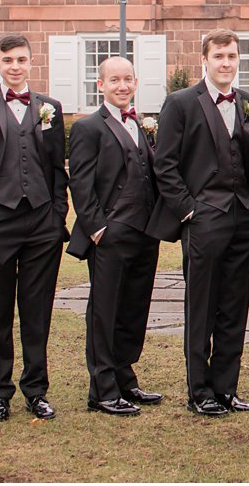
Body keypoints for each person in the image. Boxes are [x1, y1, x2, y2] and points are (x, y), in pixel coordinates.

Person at [0, 34, 68, 421]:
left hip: (41, 223)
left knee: (37, 311)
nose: (15, 66)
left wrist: (57, 215)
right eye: (8, 60)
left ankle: (36, 390)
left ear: (31, 62)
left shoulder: (49, 108)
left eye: (21, 59)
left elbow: (57, 168)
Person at [153, 29, 249, 417]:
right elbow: (163, 164)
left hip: (243, 217)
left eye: (232, 56)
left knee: (235, 304)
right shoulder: (181, 103)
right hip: (203, 219)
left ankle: (226, 388)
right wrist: (188, 210)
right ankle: (199, 391)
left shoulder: (248, 103)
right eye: (219, 56)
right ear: (205, 59)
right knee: (202, 307)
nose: (226, 63)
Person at [66, 56, 167, 417]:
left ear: (135, 83)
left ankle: (126, 377)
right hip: (109, 233)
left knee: (134, 308)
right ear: (101, 85)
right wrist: (97, 227)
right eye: (114, 80)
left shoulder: (140, 125)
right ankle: (102, 388)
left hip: (144, 232)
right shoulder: (87, 127)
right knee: (105, 310)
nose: (122, 86)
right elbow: (80, 182)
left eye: (127, 80)